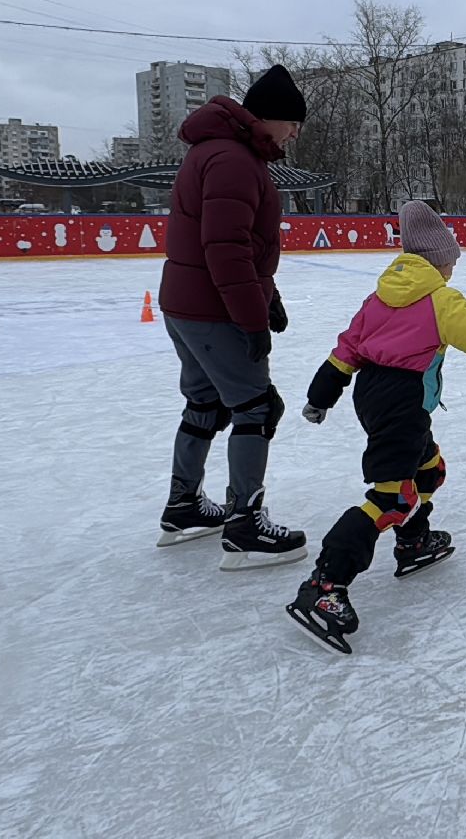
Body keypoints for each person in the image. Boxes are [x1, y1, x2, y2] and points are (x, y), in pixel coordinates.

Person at [286, 200, 466, 653]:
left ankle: (413, 542)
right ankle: (325, 586)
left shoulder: (378, 298)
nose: (454, 267)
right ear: (435, 260)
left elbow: (346, 349)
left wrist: (320, 396)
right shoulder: (441, 301)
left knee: (430, 470)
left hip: (375, 398)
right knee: (393, 497)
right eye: (451, 260)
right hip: (402, 405)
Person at [154, 65, 310, 571]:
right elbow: (226, 249)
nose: (294, 134)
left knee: (205, 403)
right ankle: (245, 524)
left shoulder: (217, 151)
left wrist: (269, 294)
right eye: (293, 123)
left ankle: (183, 506)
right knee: (257, 408)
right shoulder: (234, 160)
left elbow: (242, 243)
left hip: (188, 304)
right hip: (214, 310)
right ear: (269, 117)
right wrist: (251, 319)